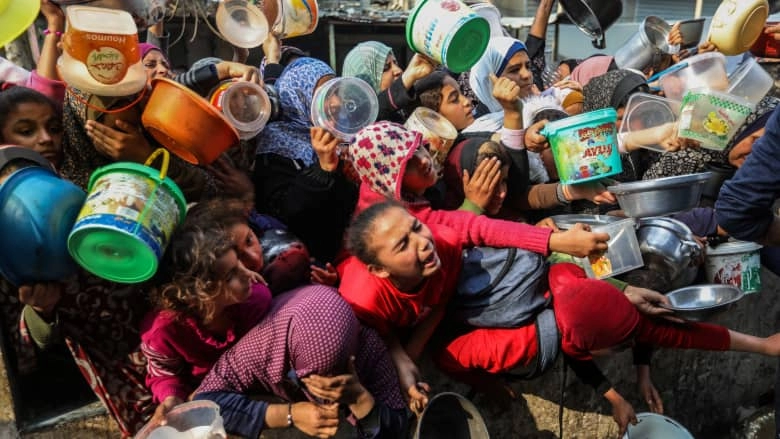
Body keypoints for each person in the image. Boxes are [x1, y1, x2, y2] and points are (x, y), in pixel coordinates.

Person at [340, 200, 780, 436]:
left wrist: (621, 290)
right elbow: (392, 333)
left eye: (417, 228)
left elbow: (663, 330)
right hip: (479, 321)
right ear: (380, 267)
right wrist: (406, 357)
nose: (422, 241)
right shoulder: (364, 300)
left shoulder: (445, 243)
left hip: (498, 292)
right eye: (404, 243)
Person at [347, 121, 611, 258]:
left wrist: (574, 192)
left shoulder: (412, 188)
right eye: (409, 165)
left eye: (418, 149)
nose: (424, 161)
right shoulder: (399, 215)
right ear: (392, 181)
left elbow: (522, 197)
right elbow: (475, 229)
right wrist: (472, 206)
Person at [140, 203, 273, 420]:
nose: (248, 275)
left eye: (239, 263)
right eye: (230, 275)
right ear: (196, 295)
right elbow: (164, 373)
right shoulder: (162, 331)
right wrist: (171, 398)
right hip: (208, 399)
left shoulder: (255, 301)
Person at [253, 57, 358, 265]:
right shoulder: (274, 144)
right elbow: (286, 215)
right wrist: (323, 169)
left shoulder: (338, 137)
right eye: (325, 94)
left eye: (336, 91)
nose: (336, 102)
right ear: (298, 96)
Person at [342, 41, 435, 123]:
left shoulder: (402, 111)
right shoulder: (353, 122)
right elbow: (372, 111)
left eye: (396, 63)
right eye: (386, 68)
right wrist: (408, 77)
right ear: (366, 79)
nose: (398, 70)